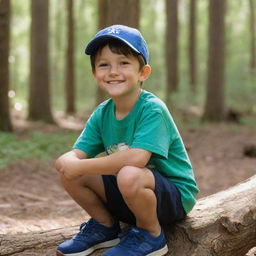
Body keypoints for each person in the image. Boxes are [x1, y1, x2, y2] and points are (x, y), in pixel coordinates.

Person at [55, 24, 199, 256]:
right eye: (104, 65)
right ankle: (105, 227)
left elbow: (137, 158)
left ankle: (151, 236)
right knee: (71, 172)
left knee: (129, 171)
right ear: (95, 74)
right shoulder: (102, 114)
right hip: (130, 192)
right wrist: (67, 161)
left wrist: (79, 164)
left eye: (124, 63)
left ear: (143, 72)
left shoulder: (152, 109)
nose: (113, 71)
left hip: (173, 197)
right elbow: (77, 154)